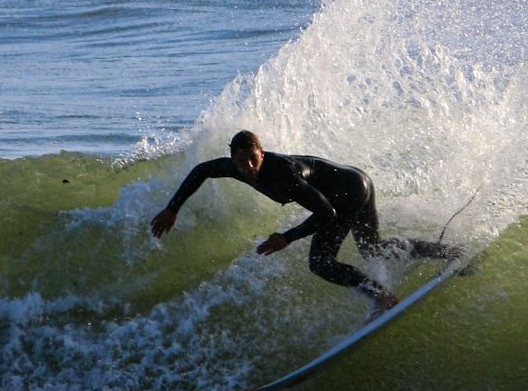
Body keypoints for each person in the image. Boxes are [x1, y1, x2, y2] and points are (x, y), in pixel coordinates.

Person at [149, 129, 459, 314]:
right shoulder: (232, 166)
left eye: (253, 159)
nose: (248, 168)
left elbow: (326, 214)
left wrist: (287, 237)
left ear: (262, 152)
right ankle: (450, 253)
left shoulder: (282, 172)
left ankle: (383, 297)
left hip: (349, 191)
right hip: (356, 180)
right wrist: (172, 208)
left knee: (321, 262)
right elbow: (201, 170)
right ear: (232, 158)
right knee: (373, 248)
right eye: (241, 161)